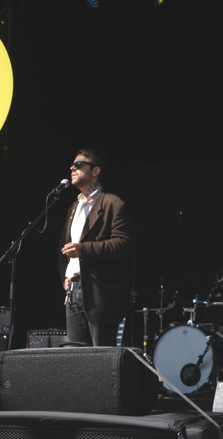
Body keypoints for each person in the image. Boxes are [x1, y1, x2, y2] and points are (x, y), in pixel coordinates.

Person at [58, 148, 134, 346]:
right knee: (75, 359)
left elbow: (124, 243)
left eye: (79, 164)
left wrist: (85, 250)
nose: (72, 168)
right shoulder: (74, 207)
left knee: (100, 359)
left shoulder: (113, 204)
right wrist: (66, 276)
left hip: (101, 294)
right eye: (72, 164)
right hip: (73, 291)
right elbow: (63, 248)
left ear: (96, 171)